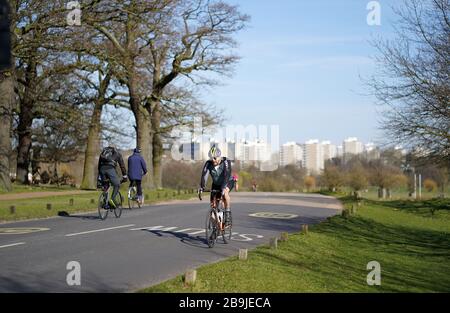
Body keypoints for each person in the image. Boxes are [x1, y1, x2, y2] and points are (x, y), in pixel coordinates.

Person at [199, 146, 235, 226]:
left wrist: (223, 187)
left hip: (228, 182)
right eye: (211, 158)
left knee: (225, 193)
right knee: (213, 209)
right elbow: (204, 176)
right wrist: (202, 187)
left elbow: (227, 174)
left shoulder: (226, 161)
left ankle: (228, 213)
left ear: (219, 156)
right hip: (216, 185)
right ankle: (216, 229)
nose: (213, 160)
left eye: (215, 158)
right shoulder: (208, 163)